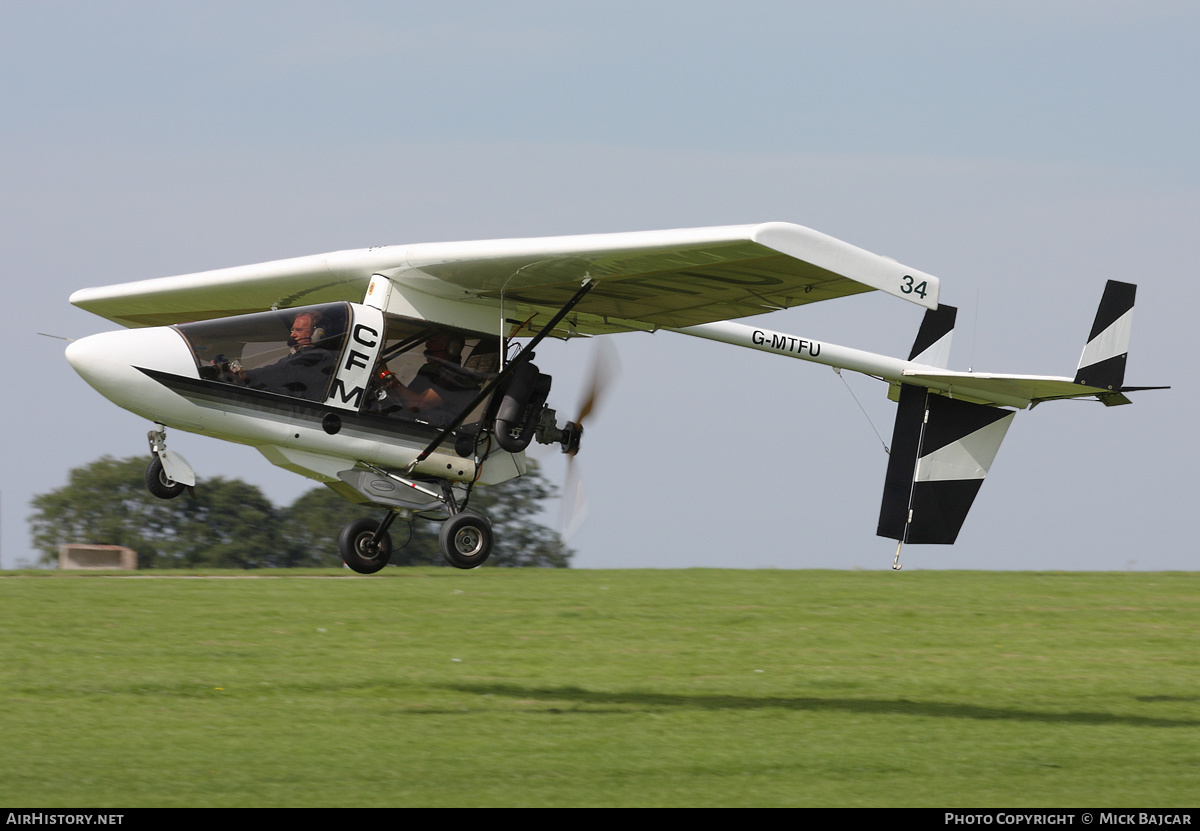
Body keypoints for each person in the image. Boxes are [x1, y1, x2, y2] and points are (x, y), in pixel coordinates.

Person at [235, 311, 337, 401]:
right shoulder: (296, 355)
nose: (292, 335)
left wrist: (246, 376)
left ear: (316, 333)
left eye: (299, 330)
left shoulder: (319, 357)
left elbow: (282, 372)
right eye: (293, 330)